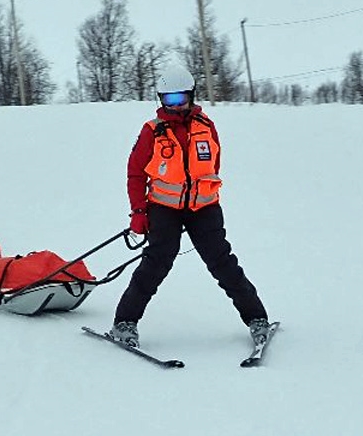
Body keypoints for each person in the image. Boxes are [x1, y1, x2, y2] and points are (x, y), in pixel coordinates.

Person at [108, 67, 270, 348]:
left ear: (191, 95)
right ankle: (124, 323)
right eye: (168, 99)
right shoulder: (151, 131)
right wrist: (139, 211)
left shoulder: (206, 126)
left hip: (204, 209)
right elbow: (135, 174)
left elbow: (212, 165)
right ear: (161, 99)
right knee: (156, 264)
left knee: (223, 263)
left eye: (180, 98)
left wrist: (200, 195)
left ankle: (257, 318)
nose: (175, 105)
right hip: (164, 209)